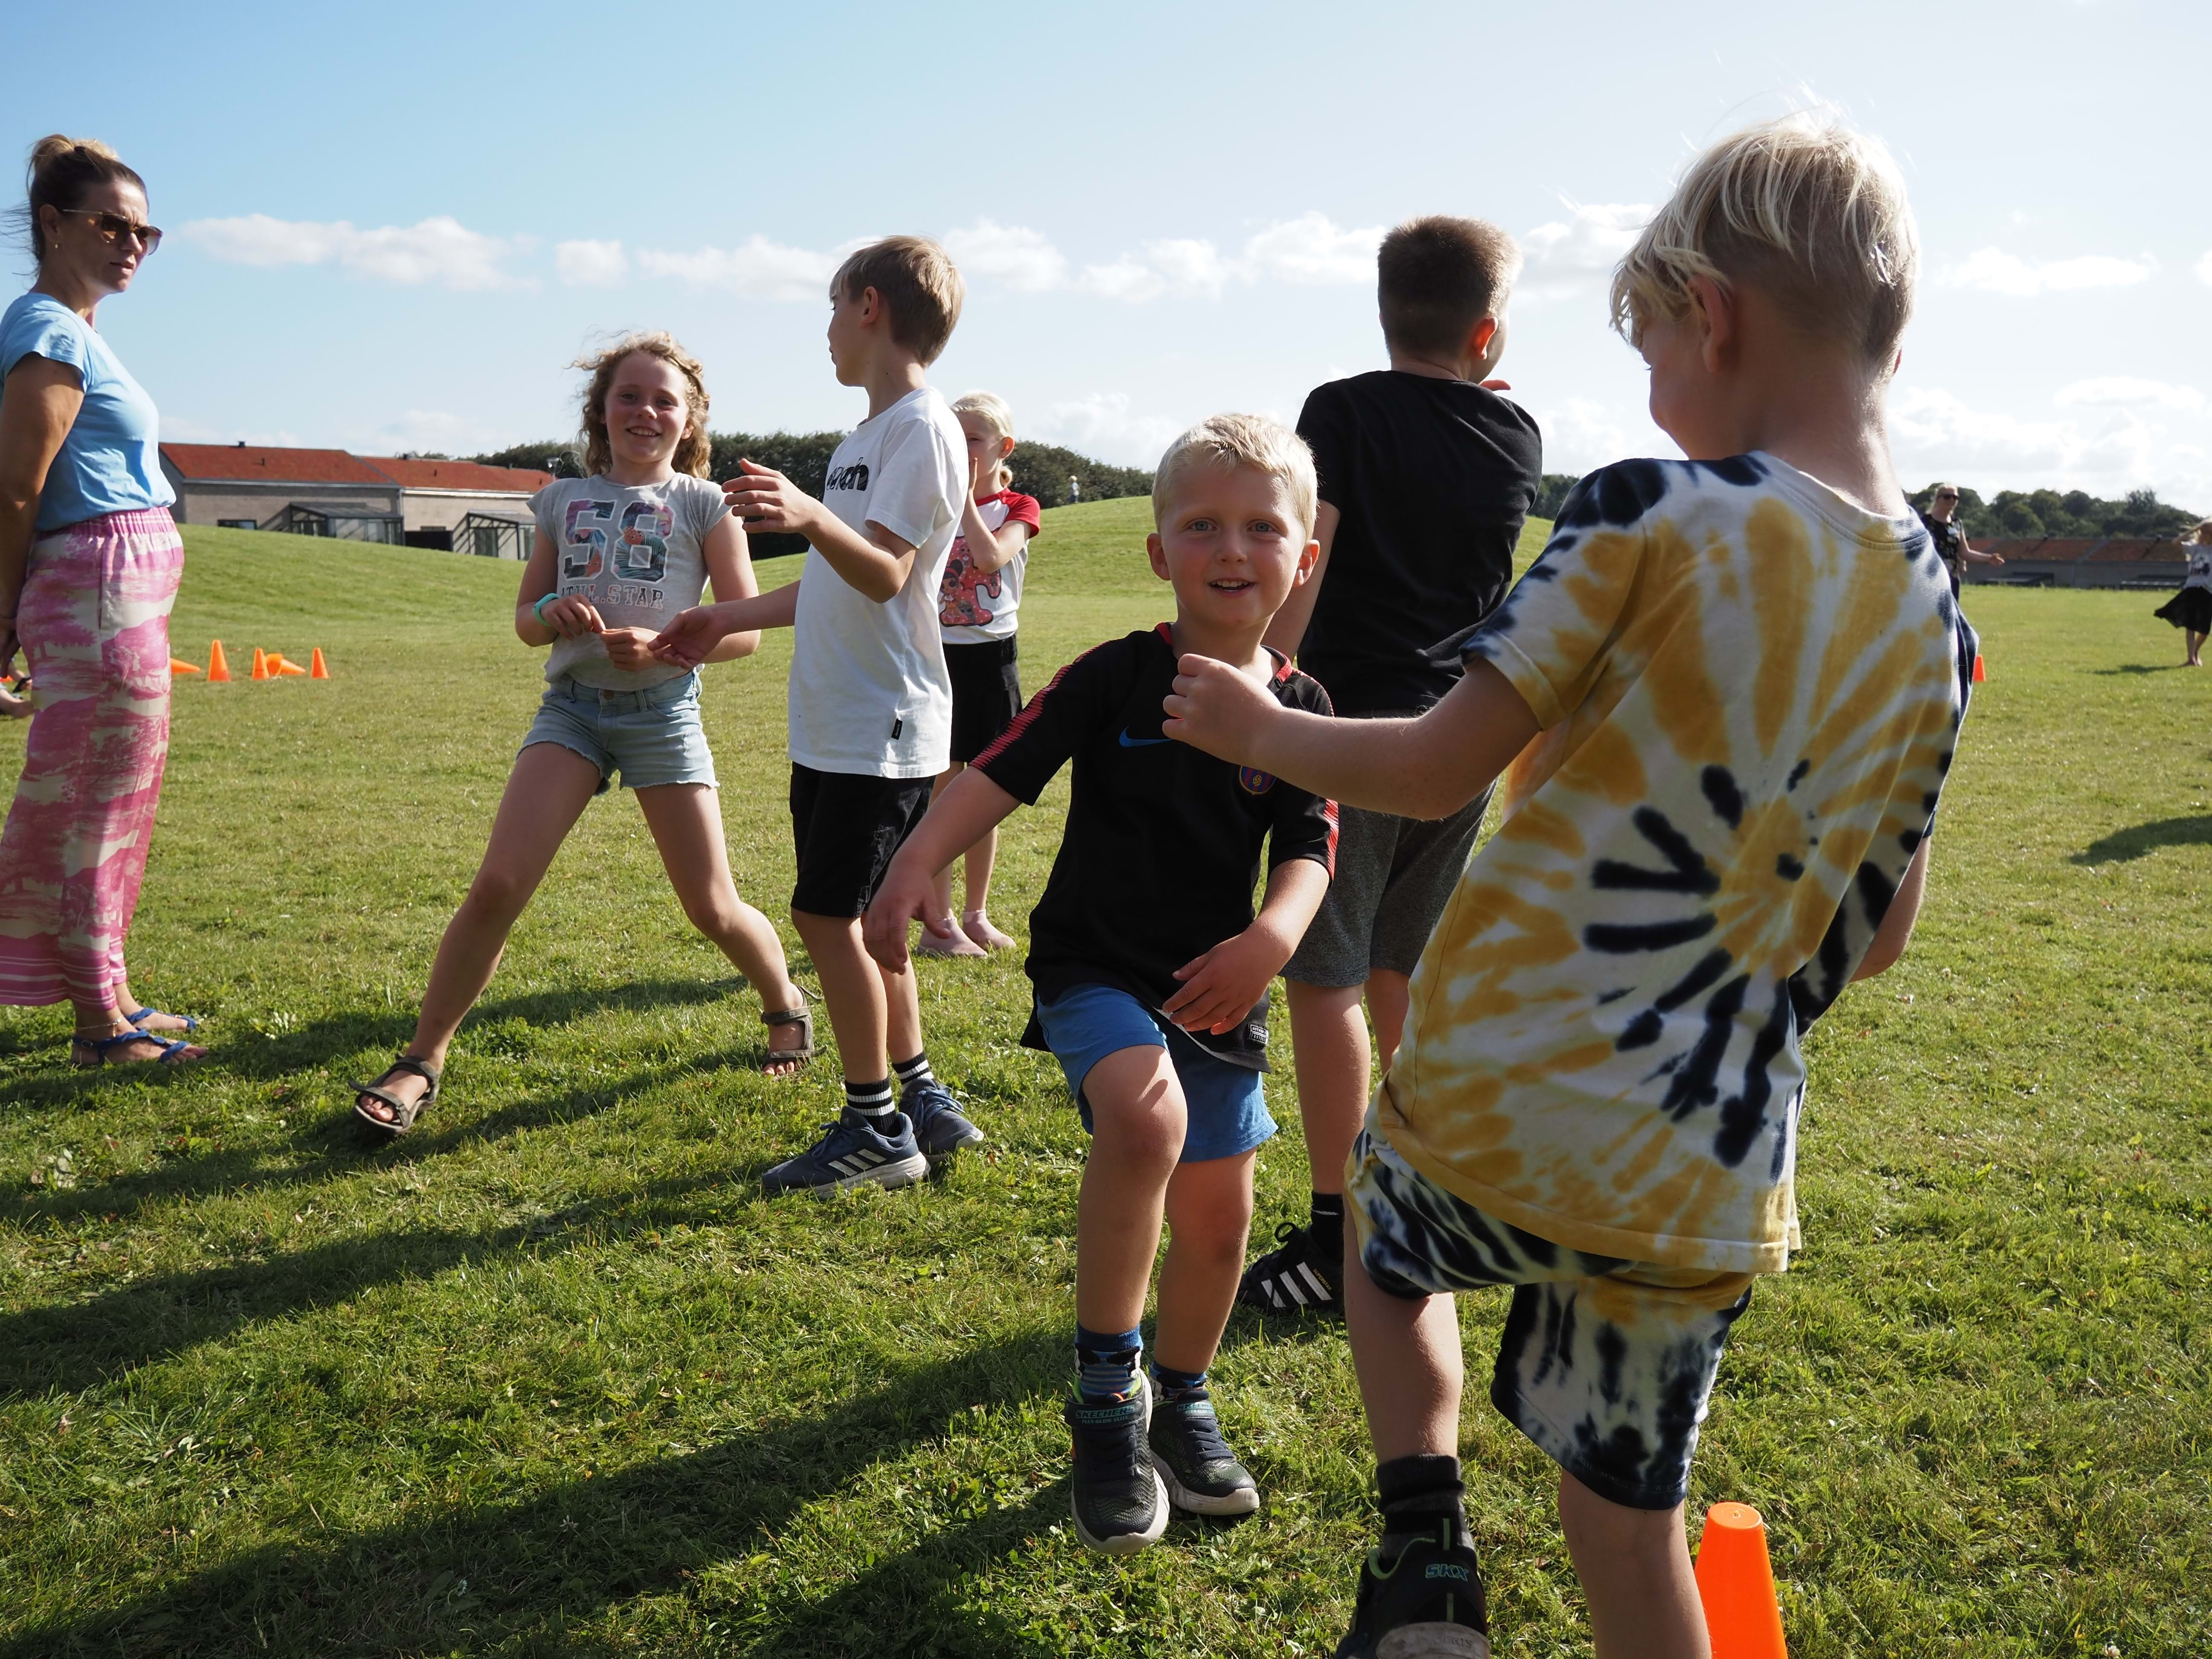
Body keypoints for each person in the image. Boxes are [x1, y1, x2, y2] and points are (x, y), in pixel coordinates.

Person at [1164, 113, 1973, 1657]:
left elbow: (1436, 768)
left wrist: (1261, 725)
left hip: (1507, 1082)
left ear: (1709, 316)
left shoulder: (1649, 509)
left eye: (1651, 351)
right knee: (1631, 1524)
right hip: (1707, 1160)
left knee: (1385, 1255)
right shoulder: (1940, 613)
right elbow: (1878, 939)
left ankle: (1424, 1553)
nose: (1654, 393)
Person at [864, 414, 1338, 1554]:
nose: (1233, 548)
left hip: (1219, 989)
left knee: (1220, 1224)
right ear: (1158, 550)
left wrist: (1270, 941)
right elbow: (999, 771)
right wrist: (917, 862)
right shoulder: (1115, 674)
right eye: (1202, 525)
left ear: (1303, 557)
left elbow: (1311, 849)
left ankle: (1182, 1399)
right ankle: (1104, 1402)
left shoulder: (1301, 708)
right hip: (1094, 967)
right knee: (1144, 1120)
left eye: (1262, 526)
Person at [351, 333, 809, 1135]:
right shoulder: (562, 501)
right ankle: (422, 1059)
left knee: (710, 906)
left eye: (665, 400)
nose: (646, 412)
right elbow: (526, 623)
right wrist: (549, 610)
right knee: (498, 886)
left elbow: (744, 633)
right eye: (629, 396)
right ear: (600, 410)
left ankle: (783, 1001)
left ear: (690, 418)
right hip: (572, 713)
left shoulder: (704, 504)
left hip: (662, 714)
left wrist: (665, 645)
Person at [1237, 215, 1543, 1318]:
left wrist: (1271, 687)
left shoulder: (1344, 409)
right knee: (1397, 974)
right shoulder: (1517, 435)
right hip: (1458, 737)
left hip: (1348, 735)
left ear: (1383, 313)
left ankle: (1340, 1236)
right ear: (1488, 332)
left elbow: (1306, 557)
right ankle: (1421, 1193)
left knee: (1325, 983)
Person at [650, 236, 982, 1193]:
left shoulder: (923, 428)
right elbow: (837, 583)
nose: (827, 330)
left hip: (884, 720)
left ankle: (875, 1126)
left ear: (870, 306)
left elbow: (884, 574)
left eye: (834, 308)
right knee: (868, 921)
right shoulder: (864, 440)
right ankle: (921, 1095)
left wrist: (805, 513)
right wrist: (728, 615)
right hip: (839, 717)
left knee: (827, 916)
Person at [0, 135, 204, 1067]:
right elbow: (17, 489)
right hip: (92, 591)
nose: (133, 245)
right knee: (90, 803)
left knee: (121, 800)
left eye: (144, 233)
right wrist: (1, 621)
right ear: (53, 224)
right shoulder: (47, 332)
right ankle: (99, 1026)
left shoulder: (79, 333)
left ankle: (112, 991)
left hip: (120, 593)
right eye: (112, 226)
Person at [912, 390, 1041, 958]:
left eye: (974, 439)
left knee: (982, 796)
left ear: (1003, 447)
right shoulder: (932, 502)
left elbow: (990, 558)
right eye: (954, 437)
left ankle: (976, 915)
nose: (963, 449)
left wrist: (965, 499)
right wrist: (952, 498)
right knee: (942, 794)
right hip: (938, 659)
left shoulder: (1020, 507)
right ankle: (937, 925)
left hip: (993, 662)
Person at [1919, 483, 2003, 595]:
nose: (1952, 500)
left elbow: (1965, 553)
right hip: (1930, 577)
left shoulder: (1957, 524)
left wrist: (1989, 558)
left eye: (1955, 498)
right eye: (1947, 497)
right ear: (1938, 499)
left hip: (1951, 578)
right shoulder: (1923, 523)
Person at [2151, 519, 2212, 667]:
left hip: (2208, 591)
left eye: (2208, 532)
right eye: (2202, 531)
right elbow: (2175, 543)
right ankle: (2191, 659)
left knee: (2204, 629)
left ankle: (2195, 652)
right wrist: (2194, 530)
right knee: (2190, 624)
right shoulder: (2195, 548)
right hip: (2192, 588)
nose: (2204, 534)